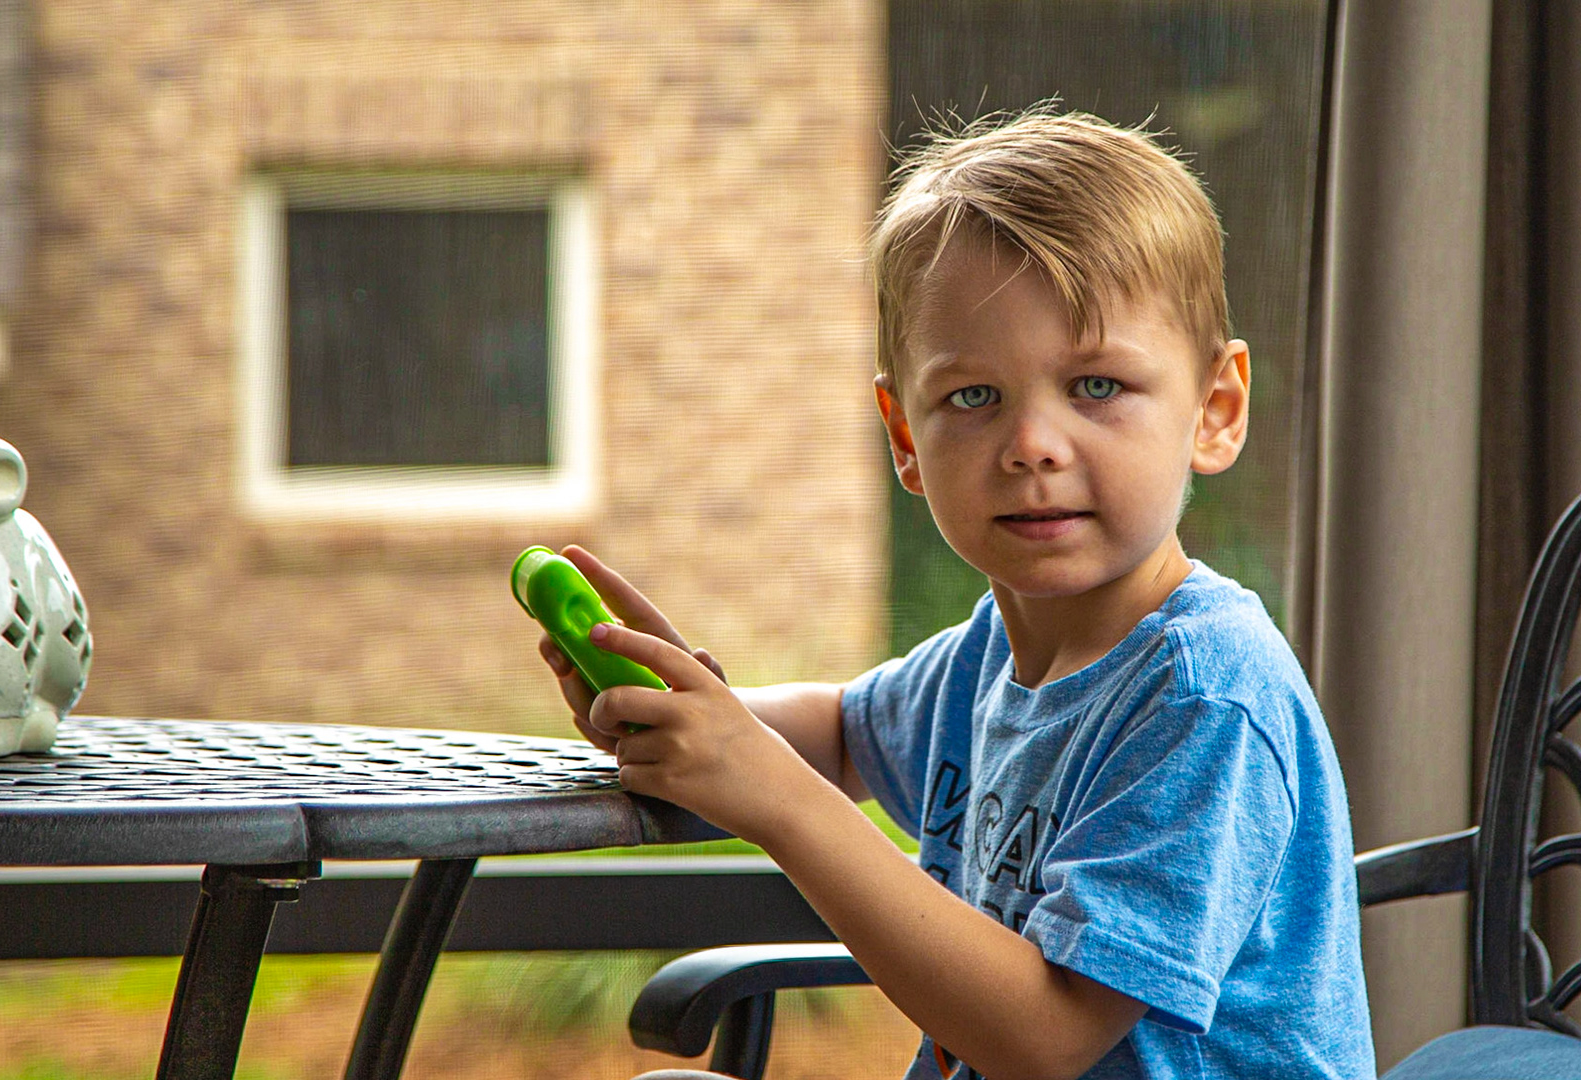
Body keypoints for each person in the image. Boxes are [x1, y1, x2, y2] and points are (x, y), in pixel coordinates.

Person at [537, 109, 1374, 1080]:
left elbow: (1047, 1035)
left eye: (1097, 386)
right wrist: (687, 712)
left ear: (1215, 412)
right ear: (905, 435)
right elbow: (847, 731)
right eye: (973, 398)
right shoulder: (993, 655)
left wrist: (775, 798)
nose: (1033, 444)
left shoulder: (1204, 695)